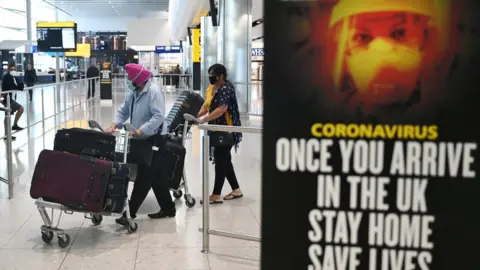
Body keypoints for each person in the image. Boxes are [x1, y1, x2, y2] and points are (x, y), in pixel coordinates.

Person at [105, 63, 175, 223]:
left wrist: (141, 130)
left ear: (138, 80)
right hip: (139, 138)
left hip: (155, 138)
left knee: (145, 175)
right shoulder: (133, 92)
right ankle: (168, 208)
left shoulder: (153, 93)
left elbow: (158, 117)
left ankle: (130, 213)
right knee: (156, 175)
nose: (128, 82)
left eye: (130, 79)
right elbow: (123, 110)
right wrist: (115, 124)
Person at [196, 63, 243, 204]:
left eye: (213, 75)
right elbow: (207, 106)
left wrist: (204, 120)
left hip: (227, 129)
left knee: (220, 159)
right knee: (225, 160)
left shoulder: (226, 89)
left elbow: (221, 109)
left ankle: (216, 194)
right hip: (216, 129)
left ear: (221, 76)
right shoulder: (212, 88)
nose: (210, 78)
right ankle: (236, 190)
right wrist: (195, 116)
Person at [1, 64, 25, 141]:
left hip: (10, 98)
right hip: (7, 99)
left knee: (13, 113)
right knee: (9, 115)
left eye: (14, 69)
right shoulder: (7, 77)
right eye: (11, 69)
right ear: (8, 70)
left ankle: (13, 127)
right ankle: (7, 134)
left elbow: (19, 88)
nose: (13, 71)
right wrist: (19, 81)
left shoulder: (12, 77)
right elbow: (17, 87)